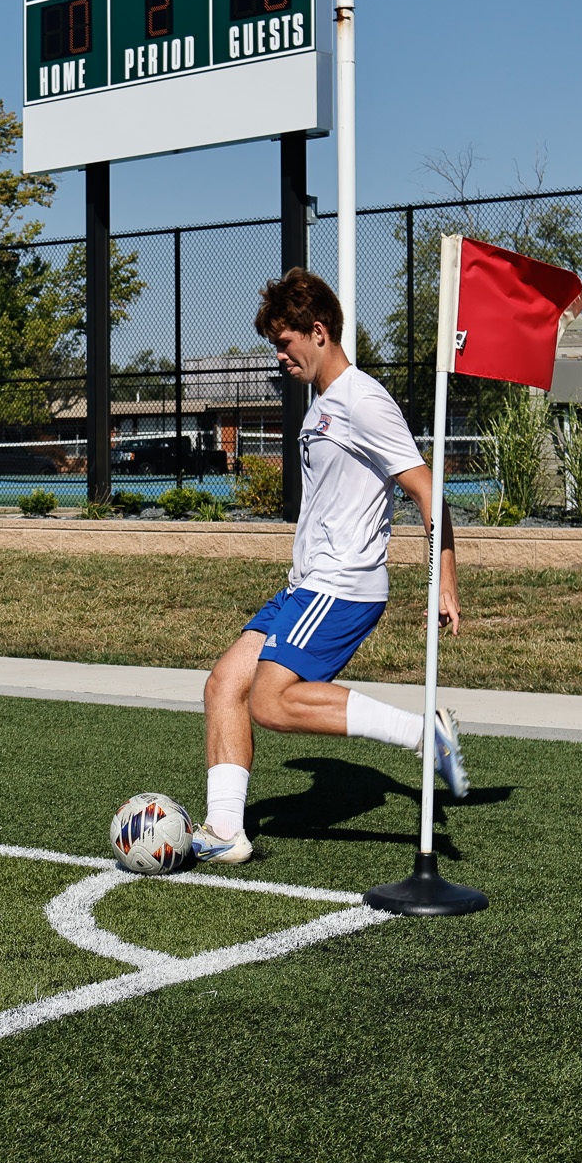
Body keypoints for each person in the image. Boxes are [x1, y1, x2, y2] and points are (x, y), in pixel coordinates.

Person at [192, 268, 468, 866]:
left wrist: (444, 579)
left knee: (269, 702)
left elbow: (428, 491)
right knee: (224, 685)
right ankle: (225, 831)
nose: (279, 355)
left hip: (342, 585)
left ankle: (424, 735)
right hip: (306, 585)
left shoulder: (362, 399)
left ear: (318, 332)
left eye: (284, 342)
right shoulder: (323, 404)